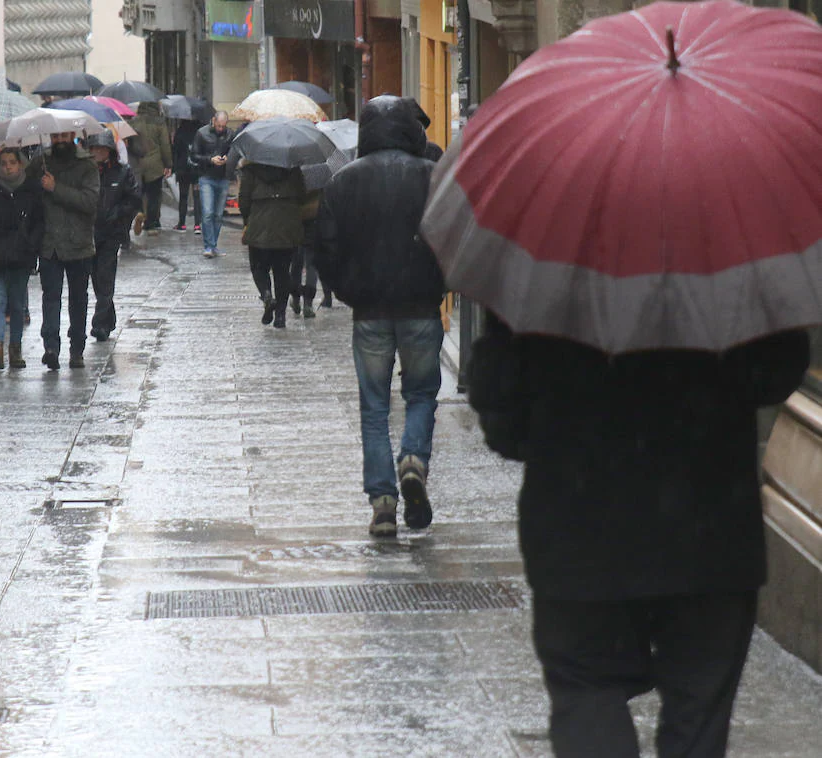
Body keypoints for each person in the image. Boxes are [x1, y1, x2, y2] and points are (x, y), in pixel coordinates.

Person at [466, 320, 811, 758]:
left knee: (587, 690)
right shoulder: (727, 270)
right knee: (699, 711)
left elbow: (498, 392)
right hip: (708, 525)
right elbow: (777, 368)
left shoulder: (552, 272)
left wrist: (547, 439)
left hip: (579, 525)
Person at [315, 95, 445, 537]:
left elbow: (325, 250)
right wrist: (439, 285)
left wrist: (350, 292)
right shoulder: (435, 177)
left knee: (373, 407)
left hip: (369, 311)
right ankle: (413, 458)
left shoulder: (343, 181)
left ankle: (383, 502)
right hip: (422, 306)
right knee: (422, 394)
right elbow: (457, 238)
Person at [28, 130, 99, 370]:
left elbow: (89, 202)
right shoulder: (40, 162)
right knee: (51, 297)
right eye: (55, 136)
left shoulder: (87, 165)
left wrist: (55, 188)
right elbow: (24, 189)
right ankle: (51, 347)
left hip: (79, 244)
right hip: (50, 245)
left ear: (73, 136)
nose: (59, 141)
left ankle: (76, 349)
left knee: (78, 299)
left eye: (64, 136)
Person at [0, 148, 44, 370]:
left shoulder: (31, 189)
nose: (8, 167)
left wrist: (31, 245)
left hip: (20, 256)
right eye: (3, 163)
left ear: (20, 164)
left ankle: (15, 349)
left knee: (16, 304)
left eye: (12, 162)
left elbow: (39, 221)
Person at [86, 130, 141, 342]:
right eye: (94, 148)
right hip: (90, 233)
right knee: (97, 280)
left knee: (106, 277)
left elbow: (133, 198)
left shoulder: (122, 171)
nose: (98, 152)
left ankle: (99, 323)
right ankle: (108, 319)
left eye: (102, 148)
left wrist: (117, 215)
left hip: (111, 234)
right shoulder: (87, 172)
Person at [239, 162, 306, 329]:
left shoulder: (250, 169)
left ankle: (267, 295)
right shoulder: (292, 168)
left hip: (259, 224)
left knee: (258, 267)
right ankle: (280, 317)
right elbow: (302, 195)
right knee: (282, 271)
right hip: (286, 226)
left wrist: (248, 219)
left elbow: (243, 201)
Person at [192, 111, 234, 258]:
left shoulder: (230, 134)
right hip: (206, 176)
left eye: (223, 126)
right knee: (208, 212)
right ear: (213, 121)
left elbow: (235, 152)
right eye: (218, 125)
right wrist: (210, 159)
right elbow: (194, 155)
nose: (221, 129)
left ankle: (213, 244)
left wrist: (229, 158)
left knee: (218, 214)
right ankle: (209, 246)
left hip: (223, 177)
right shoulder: (201, 133)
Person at [129, 101, 172, 236]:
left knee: (138, 193)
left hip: (136, 163)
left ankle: (139, 212)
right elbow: (165, 145)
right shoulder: (159, 122)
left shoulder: (132, 122)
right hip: (154, 163)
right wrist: (168, 164)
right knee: (154, 195)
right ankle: (151, 224)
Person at [289, 189, 322, 319]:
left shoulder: (294, 177)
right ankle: (308, 303)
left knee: (296, 265)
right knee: (312, 266)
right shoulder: (320, 181)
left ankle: (296, 299)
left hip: (296, 226)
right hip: (314, 225)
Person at [171, 119, 202, 234]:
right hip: (197, 169)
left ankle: (182, 223)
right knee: (197, 197)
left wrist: (174, 168)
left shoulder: (180, 132)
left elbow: (175, 151)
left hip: (183, 169)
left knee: (183, 196)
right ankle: (197, 224)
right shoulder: (200, 131)